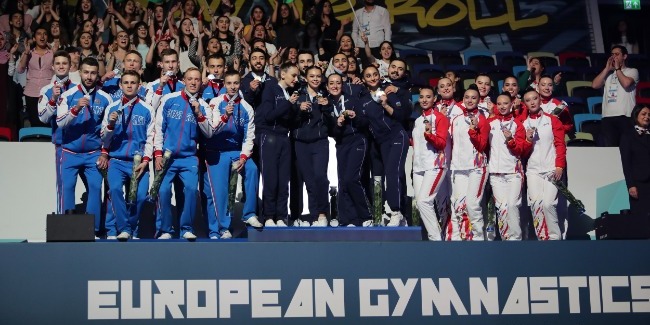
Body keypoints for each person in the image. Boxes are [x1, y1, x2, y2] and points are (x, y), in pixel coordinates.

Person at [56, 57, 113, 238]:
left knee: (96, 188)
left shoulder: (105, 98)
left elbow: (107, 130)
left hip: (93, 154)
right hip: (69, 152)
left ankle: (93, 230)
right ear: (79, 72)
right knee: (68, 188)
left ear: (98, 75)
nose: (89, 76)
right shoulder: (68, 95)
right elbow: (60, 123)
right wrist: (75, 109)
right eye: (86, 72)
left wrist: (104, 152)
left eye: (93, 73)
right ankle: (67, 231)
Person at [153, 67, 213, 240]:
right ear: (184, 81)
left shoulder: (204, 105)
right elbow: (159, 127)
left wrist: (199, 113)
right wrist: (158, 154)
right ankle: (165, 229)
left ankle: (186, 228)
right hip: (167, 157)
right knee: (163, 191)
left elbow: (209, 132)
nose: (193, 82)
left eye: (196, 80)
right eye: (190, 79)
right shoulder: (169, 99)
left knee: (191, 190)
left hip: (189, 158)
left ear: (201, 83)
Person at [205, 70, 261, 237]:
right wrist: (225, 115)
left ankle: (249, 214)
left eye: (236, 83)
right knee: (220, 191)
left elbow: (249, 135)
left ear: (240, 85)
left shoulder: (247, 107)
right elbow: (212, 129)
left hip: (237, 151)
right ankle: (224, 228)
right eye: (229, 83)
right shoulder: (215, 102)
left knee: (252, 169)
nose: (232, 87)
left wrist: (244, 156)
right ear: (224, 84)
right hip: (218, 151)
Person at [100, 70, 155, 241]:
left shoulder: (147, 109)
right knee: (115, 190)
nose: (129, 85)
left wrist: (146, 160)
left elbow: (151, 137)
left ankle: (131, 227)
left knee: (140, 197)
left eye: (133, 83)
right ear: (120, 85)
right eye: (126, 82)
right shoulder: (111, 108)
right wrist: (110, 124)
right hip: (116, 160)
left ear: (139, 86)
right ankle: (124, 228)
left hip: (138, 162)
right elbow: (103, 136)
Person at [360, 65, 408, 226]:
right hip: (381, 142)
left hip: (397, 136)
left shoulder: (388, 91)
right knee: (391, 175)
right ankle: (400, 214)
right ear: (364, 79)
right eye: (368, 75)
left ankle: (396, 211)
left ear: (379, 76)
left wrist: (386, 104)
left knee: (393, 173)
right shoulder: (364, 99)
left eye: (375, 74)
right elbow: (363, 122)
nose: (372, 78)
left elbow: (401, 115)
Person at [256, 62, 299, 227]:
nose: (296, 79)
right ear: (282, 74)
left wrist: (297, 109)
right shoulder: (271, 89)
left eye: (297, 76)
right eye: (293, 75)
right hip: (269, 137)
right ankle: (268, 217)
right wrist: (289, 104)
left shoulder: (288, 92)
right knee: (271, 179)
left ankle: (281, 216)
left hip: (284, 138)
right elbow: (268, 116)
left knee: (283, 180)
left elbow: (288, 118)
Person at [325, 73, 371, 227]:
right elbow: (331, 131)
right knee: (343, 182)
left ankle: (366, 216)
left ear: (342, 85)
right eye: (331, 83)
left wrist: (355, 117)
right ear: (327, 86)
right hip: (341, 143)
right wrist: (337, 124)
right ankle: (349, 219)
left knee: (352, 178)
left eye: (338, 83)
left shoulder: (352, 100)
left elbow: (365, 122)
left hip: (357, 140)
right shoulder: (327, 104)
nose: (335, 86)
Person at [520, 88, 566, 241]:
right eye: (528, 100)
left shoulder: (552, 120)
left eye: (534, 98)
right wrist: (527, 140)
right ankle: (542, 238)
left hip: (552, 169)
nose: (532, 102)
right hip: (533, 171)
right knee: (536, 205)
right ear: (524, 104)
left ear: (540, 99)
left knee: (548, 204)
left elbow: (560, 145)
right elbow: (522, 152)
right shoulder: (522, 123)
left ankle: (554, 238)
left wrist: (559, 166)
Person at [487, 92, 531, 240]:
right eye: (499, 104)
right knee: (502, 208)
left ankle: (516, 239)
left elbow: (521, 150)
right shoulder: (490, 123)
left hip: (513, 173)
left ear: (512, 104)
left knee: (512, 206)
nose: (502, 106)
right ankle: (506, 239)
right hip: (495, 173)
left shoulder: (517, 124)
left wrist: (510, 140)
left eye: (505, 103)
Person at [447, 85, 489, 241]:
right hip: (458, 169)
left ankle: (478, 238)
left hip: (476, 168)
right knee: (459, 206)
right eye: (467, 97)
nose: (470, 100)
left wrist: (473, 131)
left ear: (479, 100)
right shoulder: (456, 119)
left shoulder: (482, 120)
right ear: (463, 99)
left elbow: (482, 146)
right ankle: (466, 238)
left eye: (473, 97)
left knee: (472, 205)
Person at [38, 50, 76, 214]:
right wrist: (53, 99)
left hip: (83, 145)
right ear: (52, 66)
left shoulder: (78, 89)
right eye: (58, 63)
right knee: (63, 183)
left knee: (91, 185)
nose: (61, 66)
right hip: (62, 145)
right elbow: (43, 118)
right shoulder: (46, 90)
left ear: (70, 66)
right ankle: (63, 219)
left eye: (64, 63)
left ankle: (93, 225)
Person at [293, 66, 330, 227]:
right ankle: (314, 215)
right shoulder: (298, 95)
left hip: (320, 142)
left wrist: (327, 106)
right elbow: (289, 118)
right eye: (312, 76)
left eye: (318, 76)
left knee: (320, 177)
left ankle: (322, 213)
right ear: (306, 78)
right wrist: (298, 109)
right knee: (309, 180)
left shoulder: (326, 95)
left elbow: (333, 119)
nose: (315, 79)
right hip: (300, 142)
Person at [412, 87, 450, 240]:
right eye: (421, 97)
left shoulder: (440, 118)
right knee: (421, 204)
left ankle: (436, 239)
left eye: (428, 97)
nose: (424, 100)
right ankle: (436, 236)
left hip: (435, 164)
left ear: (435, 99)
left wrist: (429, 135)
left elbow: (441, 143)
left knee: (423, 201)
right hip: (419, 167)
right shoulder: (418, 120)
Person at [592, 45, 639, 147]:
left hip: (625, 116)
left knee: (626, 147)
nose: (614, 57)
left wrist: (617, 68)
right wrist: (606, 68)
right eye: (612, 54)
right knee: (611, 149)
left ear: (624, 56)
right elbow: (595, 85)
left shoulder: (632, 71)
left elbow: (626, 83)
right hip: (608, 117)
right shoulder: (608, 74)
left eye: (617, 54)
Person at [17, 27, 54, 127]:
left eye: (45, 34)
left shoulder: (52, 53)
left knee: (46, 121)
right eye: (39, 34)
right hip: (31, 92)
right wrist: (26, 53)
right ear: (34, 38)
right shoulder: (29, 53)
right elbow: (20, 69)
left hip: (47, 93)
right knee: (34, 122)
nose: (42, 36)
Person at [619, 104, 650, 218]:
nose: (647, 117)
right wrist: (631, 185)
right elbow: (626, 163)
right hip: (638, 183)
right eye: (643, 114)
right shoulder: (628, 135)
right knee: (640, 216)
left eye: (649, 115)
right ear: (636, 115)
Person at [352, 0, 391, 65]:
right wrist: (356, 44)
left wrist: (386, 45)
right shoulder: (358, 13)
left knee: (379, 68)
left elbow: (387, 29)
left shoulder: (382, 11)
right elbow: (354, 31)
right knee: (364, 69)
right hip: (362, 47)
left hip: (378, 47)